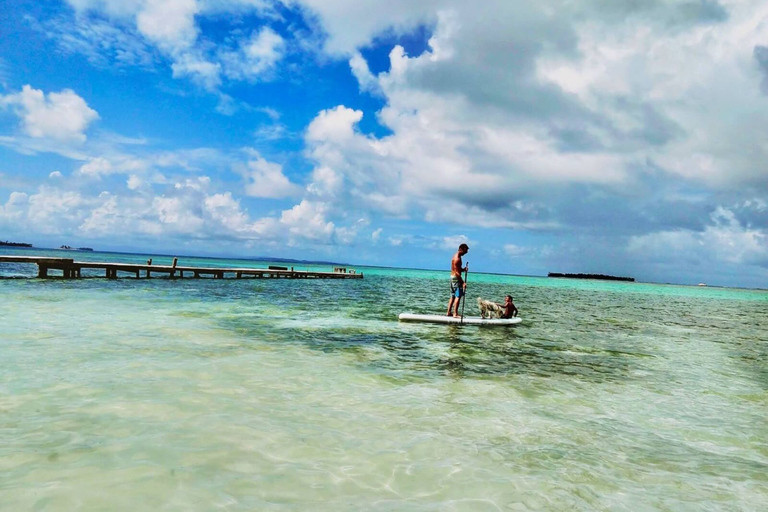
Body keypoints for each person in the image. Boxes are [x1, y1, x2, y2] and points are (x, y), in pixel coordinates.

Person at [446, 243, 469, 317]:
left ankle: (449, 312)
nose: (466, 253)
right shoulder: (457, 259)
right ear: (461, 249)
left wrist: (463, 269)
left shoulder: (455, 256)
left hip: (452, 278)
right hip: (456, 278)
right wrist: (463, 283)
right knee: (458, 296)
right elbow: (457, 273)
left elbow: (457, 270)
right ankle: (455, 313)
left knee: (452, 295)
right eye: (465, 251)